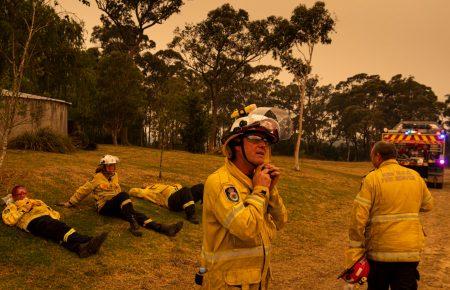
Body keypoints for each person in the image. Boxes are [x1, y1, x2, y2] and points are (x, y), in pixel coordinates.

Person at [199, 106, 290, 289]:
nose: (263, 145)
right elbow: (245, 228)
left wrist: (270, 191)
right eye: (255, 138)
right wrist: (260, 190)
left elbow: (281, 221)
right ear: (236, 144)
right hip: (227, 284)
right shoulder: (220, 182)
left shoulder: (257, 180)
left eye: (266, 140)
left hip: (256, 282)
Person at [344, 141, 433, 290]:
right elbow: (428, 205)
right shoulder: (415, 176)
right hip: (409, 253)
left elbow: (358, 217)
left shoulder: (371, 179)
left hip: (379, 254)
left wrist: (356, 248)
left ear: (378, 156)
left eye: (372, 156)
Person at [59, 155, 183, 237]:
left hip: (117, 204)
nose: (112, 168)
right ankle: (133, 224)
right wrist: (70, 203)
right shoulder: (96, 178)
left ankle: (164, 229)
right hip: (104, 207)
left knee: (138, 214)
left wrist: (125, 205)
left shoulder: (115, 176)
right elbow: (83, 190)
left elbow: (117, 193)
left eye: (113, 165)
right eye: (109, 166)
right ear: (103, 167)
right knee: (124, 195)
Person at [2, 185, 107, 258]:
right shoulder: (11, 206)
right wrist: (23, 209)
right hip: (31, 221)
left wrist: (53, 217)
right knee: (57, 227)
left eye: (24, 192)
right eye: (19, 194)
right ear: (14, 196)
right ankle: (88, 240)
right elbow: (10, 221)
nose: (23, 195)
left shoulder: (35, 201)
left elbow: (48, 209)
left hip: (45, 218)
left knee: (55, 235)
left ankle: (80, 249)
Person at [129, 183, 204, 224]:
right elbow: (132, 191)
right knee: (186, 190)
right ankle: (191, 215)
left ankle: (209, 206)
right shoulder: (148, 191)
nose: (144, 183)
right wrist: (143, 189)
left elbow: (178, 186)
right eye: (143, 185)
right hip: (171, 201)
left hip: (181, 196)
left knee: (200, 186)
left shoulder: (159, 185)